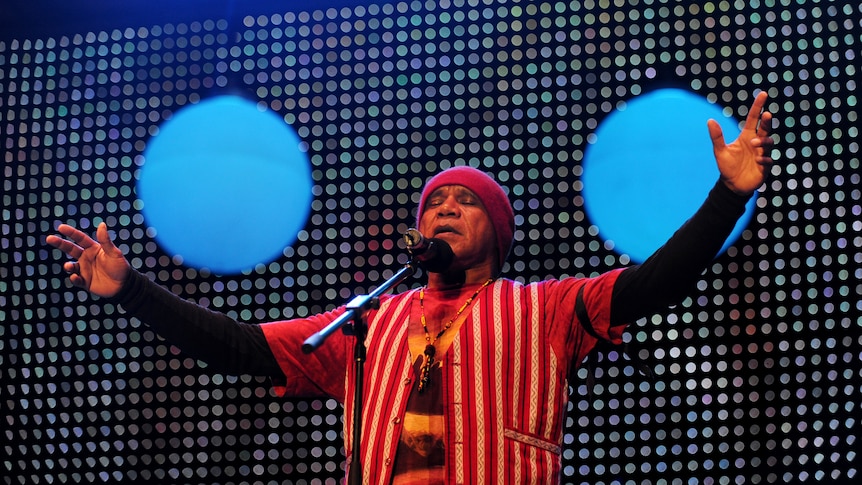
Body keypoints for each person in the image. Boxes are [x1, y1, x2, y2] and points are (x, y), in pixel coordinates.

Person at [47, 92, 775, 484]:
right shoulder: (367, 322)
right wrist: (131, 289)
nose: (445, 209)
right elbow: (239, 346)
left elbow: (654, 284)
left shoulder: (546, 307)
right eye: (435, 202)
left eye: (464, 202)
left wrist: (725, 198)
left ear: (497, 229)